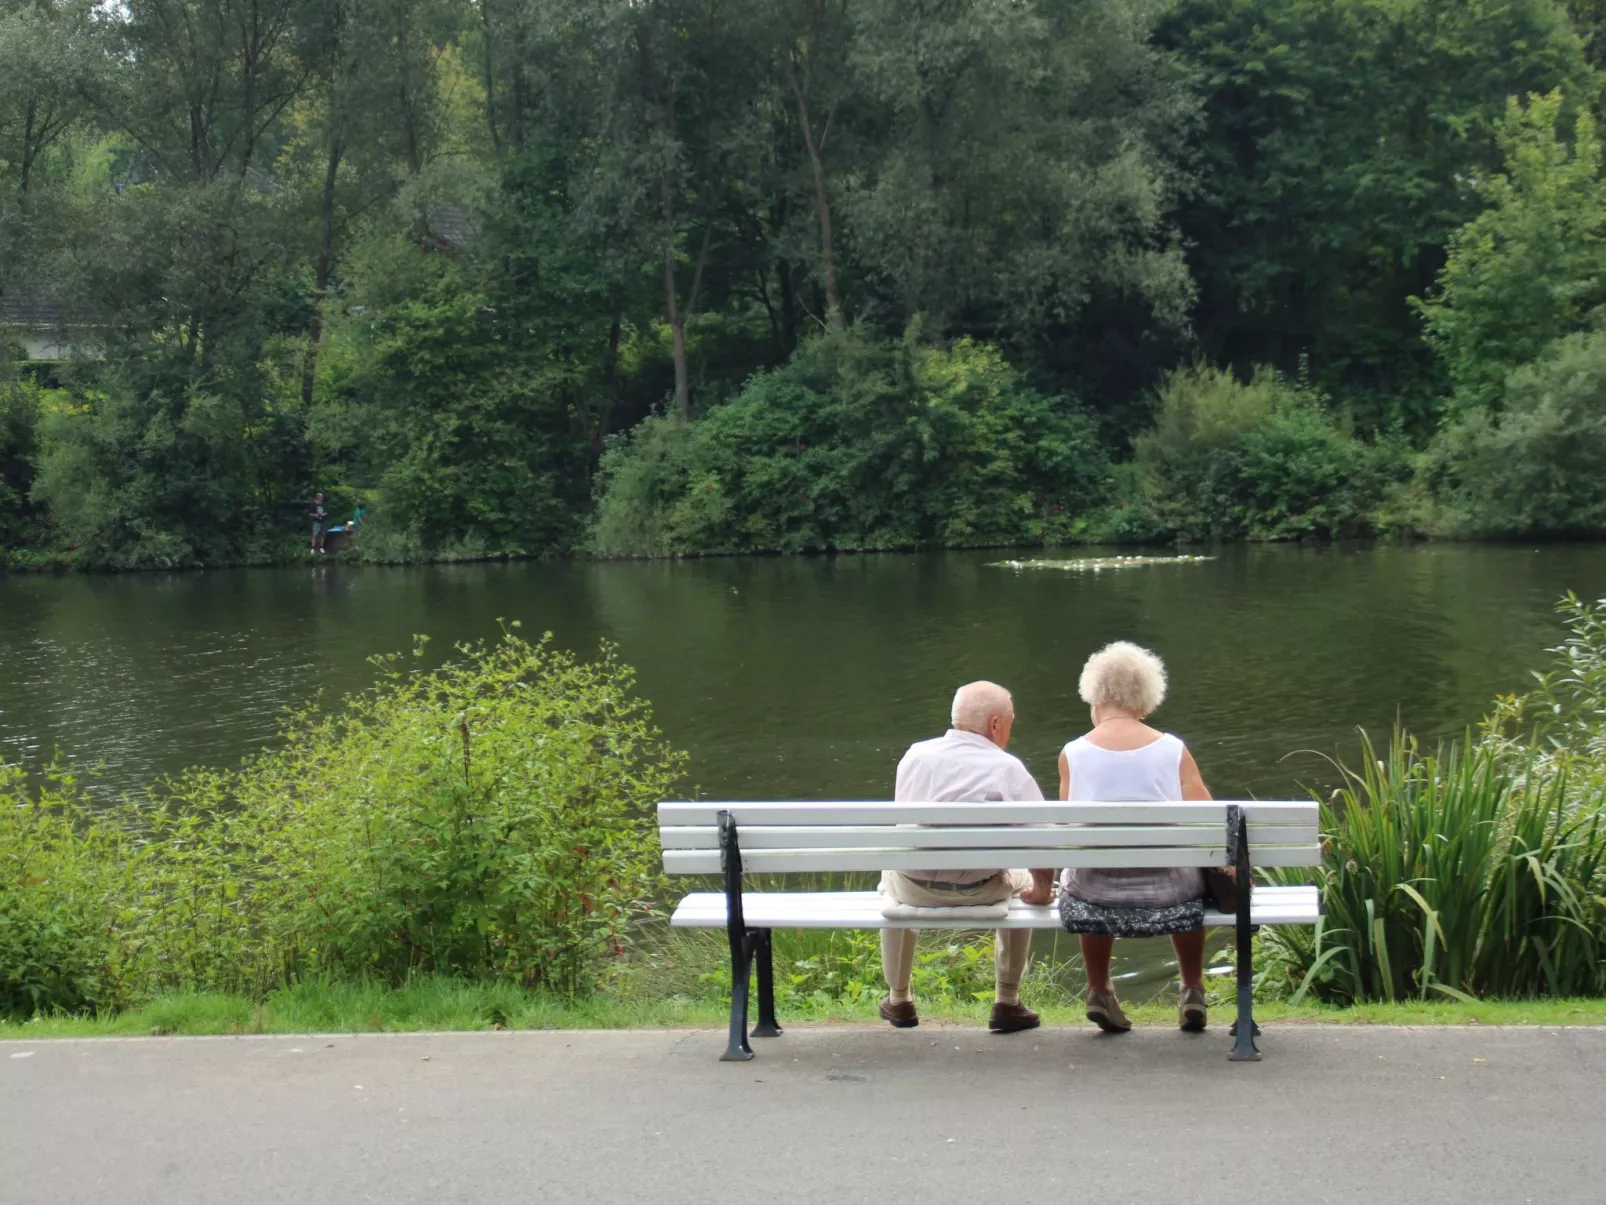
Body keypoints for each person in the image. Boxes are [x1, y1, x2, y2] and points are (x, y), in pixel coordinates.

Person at [879, 681, 1057, 1035]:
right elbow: (1043, 836)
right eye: (1010, 721)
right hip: (981, 888)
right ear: (995, 724)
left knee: (891, 873)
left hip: (914, 889)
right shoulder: (1007, 768)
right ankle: (1007, 1001)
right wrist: (1041, 888)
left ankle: (898, 998)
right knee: (1025, 880)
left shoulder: (915, 756)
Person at [1058, 641, 1213, 1035]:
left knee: (1086, 870)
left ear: (1095, 697)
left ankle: (1098, 988)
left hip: (1096, 891)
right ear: (1144, 700)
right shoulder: (1172, 749)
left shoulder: (1072, 753)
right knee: (1190, 870)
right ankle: (1192, 986)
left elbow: (1067, 830)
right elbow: (1210, 820)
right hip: (1169, 889)